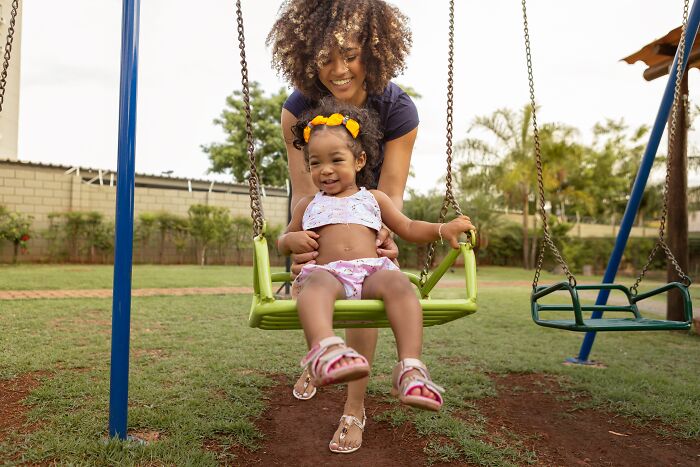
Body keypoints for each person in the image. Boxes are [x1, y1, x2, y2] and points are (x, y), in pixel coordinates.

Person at [277, 99, 475, 453]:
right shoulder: (307, 205)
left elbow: (410, 226)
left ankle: (411, 368)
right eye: (315, 162)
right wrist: (290, 239)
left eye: (336, 160)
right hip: (328, 273)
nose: (325, 170)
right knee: (314, 286)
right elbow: (283, 240)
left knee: (400, 283)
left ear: (359, 160)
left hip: (372, 273)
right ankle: (325, 349)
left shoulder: (375, 199)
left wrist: (443, 228)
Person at [267, 0, 419, 454]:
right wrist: (303, 241)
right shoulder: (298, 108)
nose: (338, 70)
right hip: (320, 203)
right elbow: (304, 191)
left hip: (370, 200)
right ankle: (323, 349)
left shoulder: (398, 111)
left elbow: (390, 192)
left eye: (349, 55)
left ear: (371, 52)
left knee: (368, 280)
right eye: (325, 58)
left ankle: (355, 408)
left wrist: (383, 237)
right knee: (316, 276)